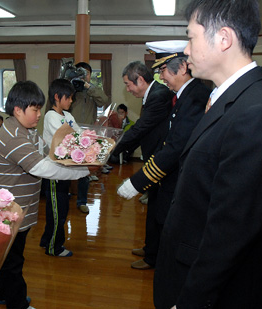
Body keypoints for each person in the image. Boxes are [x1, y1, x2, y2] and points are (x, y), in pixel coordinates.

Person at [152, 1, 262, 308]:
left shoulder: (258, 110)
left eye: (191, 37)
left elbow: (230, 231)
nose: (185, 48)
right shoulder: (227, 96)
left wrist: (189, 301)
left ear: (223, 39)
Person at [0, 81, 89, 309]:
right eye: (35, 109)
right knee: (13, 261)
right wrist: (82, 171)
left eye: (40, 109)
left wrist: (79, 156)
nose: (39, 115)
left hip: (18, 207)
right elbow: (41, 167)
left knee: (9, 257)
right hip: (6, 211)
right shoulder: (13, 134)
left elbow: (47, 153)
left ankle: (3, 294)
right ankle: (17, 303)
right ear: (18, 110)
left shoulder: (27, 130)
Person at [117, 40, 211, 270]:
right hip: (167, 170)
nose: (161, 77)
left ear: (181, 68)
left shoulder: (196, 97)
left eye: (162, 71)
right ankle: (155, 253)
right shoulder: (184, 95)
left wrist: (138, 180)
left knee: (170, 228)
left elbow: (175, 146)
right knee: (159, 217)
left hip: (180, 175)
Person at [39, 78, 81, 257]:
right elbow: (67, 140)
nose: (71, 101)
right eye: (69, 98)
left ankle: (46, 239)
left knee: (59, 208)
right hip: (54, 171)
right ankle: (54, 247)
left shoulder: (67, 116)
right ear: (57, 97)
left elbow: (78, 134)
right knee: (58, 211)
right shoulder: (51, 116)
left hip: (65, 171)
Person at [109, 61, 173, 165]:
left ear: (140, 80)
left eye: (128, 85)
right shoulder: (152, 94)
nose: (128, 90)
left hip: (160, 156)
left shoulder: (158, 96)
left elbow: (140, 128)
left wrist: (112, 148)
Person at [69, 62, 109, 213]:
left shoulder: (92, 89)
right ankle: (64, 194)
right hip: (70, 134)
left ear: (90, 75)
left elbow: (104, 100)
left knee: (84, 171)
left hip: (86, 136)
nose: (83, 76)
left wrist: (87, 87)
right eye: (80, 73)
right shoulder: (71, 88)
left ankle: (82, 201)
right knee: (63, 166)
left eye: (86, 73)